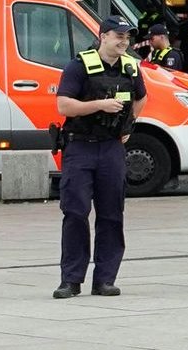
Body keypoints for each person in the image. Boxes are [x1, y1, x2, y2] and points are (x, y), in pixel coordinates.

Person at [47, 18, 143, 298]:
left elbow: (141, 97)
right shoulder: (79, 65)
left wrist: (129, 124)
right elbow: (64, 105)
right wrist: (99, 105)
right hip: (80, 147)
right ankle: (71, 280)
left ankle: (104, 280)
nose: (124, 41)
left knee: (112, 215)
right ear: (103, 36)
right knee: (75, 212)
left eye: (128, 37)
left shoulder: (130, 67)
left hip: (111, 148)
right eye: (119, 35)